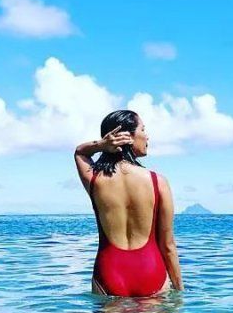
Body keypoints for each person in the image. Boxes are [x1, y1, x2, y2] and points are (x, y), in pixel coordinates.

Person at [73, 110, 184, 297]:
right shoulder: (158, 182)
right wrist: (180, 290)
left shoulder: (95, 180)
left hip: (109, 273)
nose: (147, 135)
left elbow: (79, 152)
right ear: (129, 137)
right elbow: (168, 245)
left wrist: (101, 145)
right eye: (143, 129)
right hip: (150, 271)